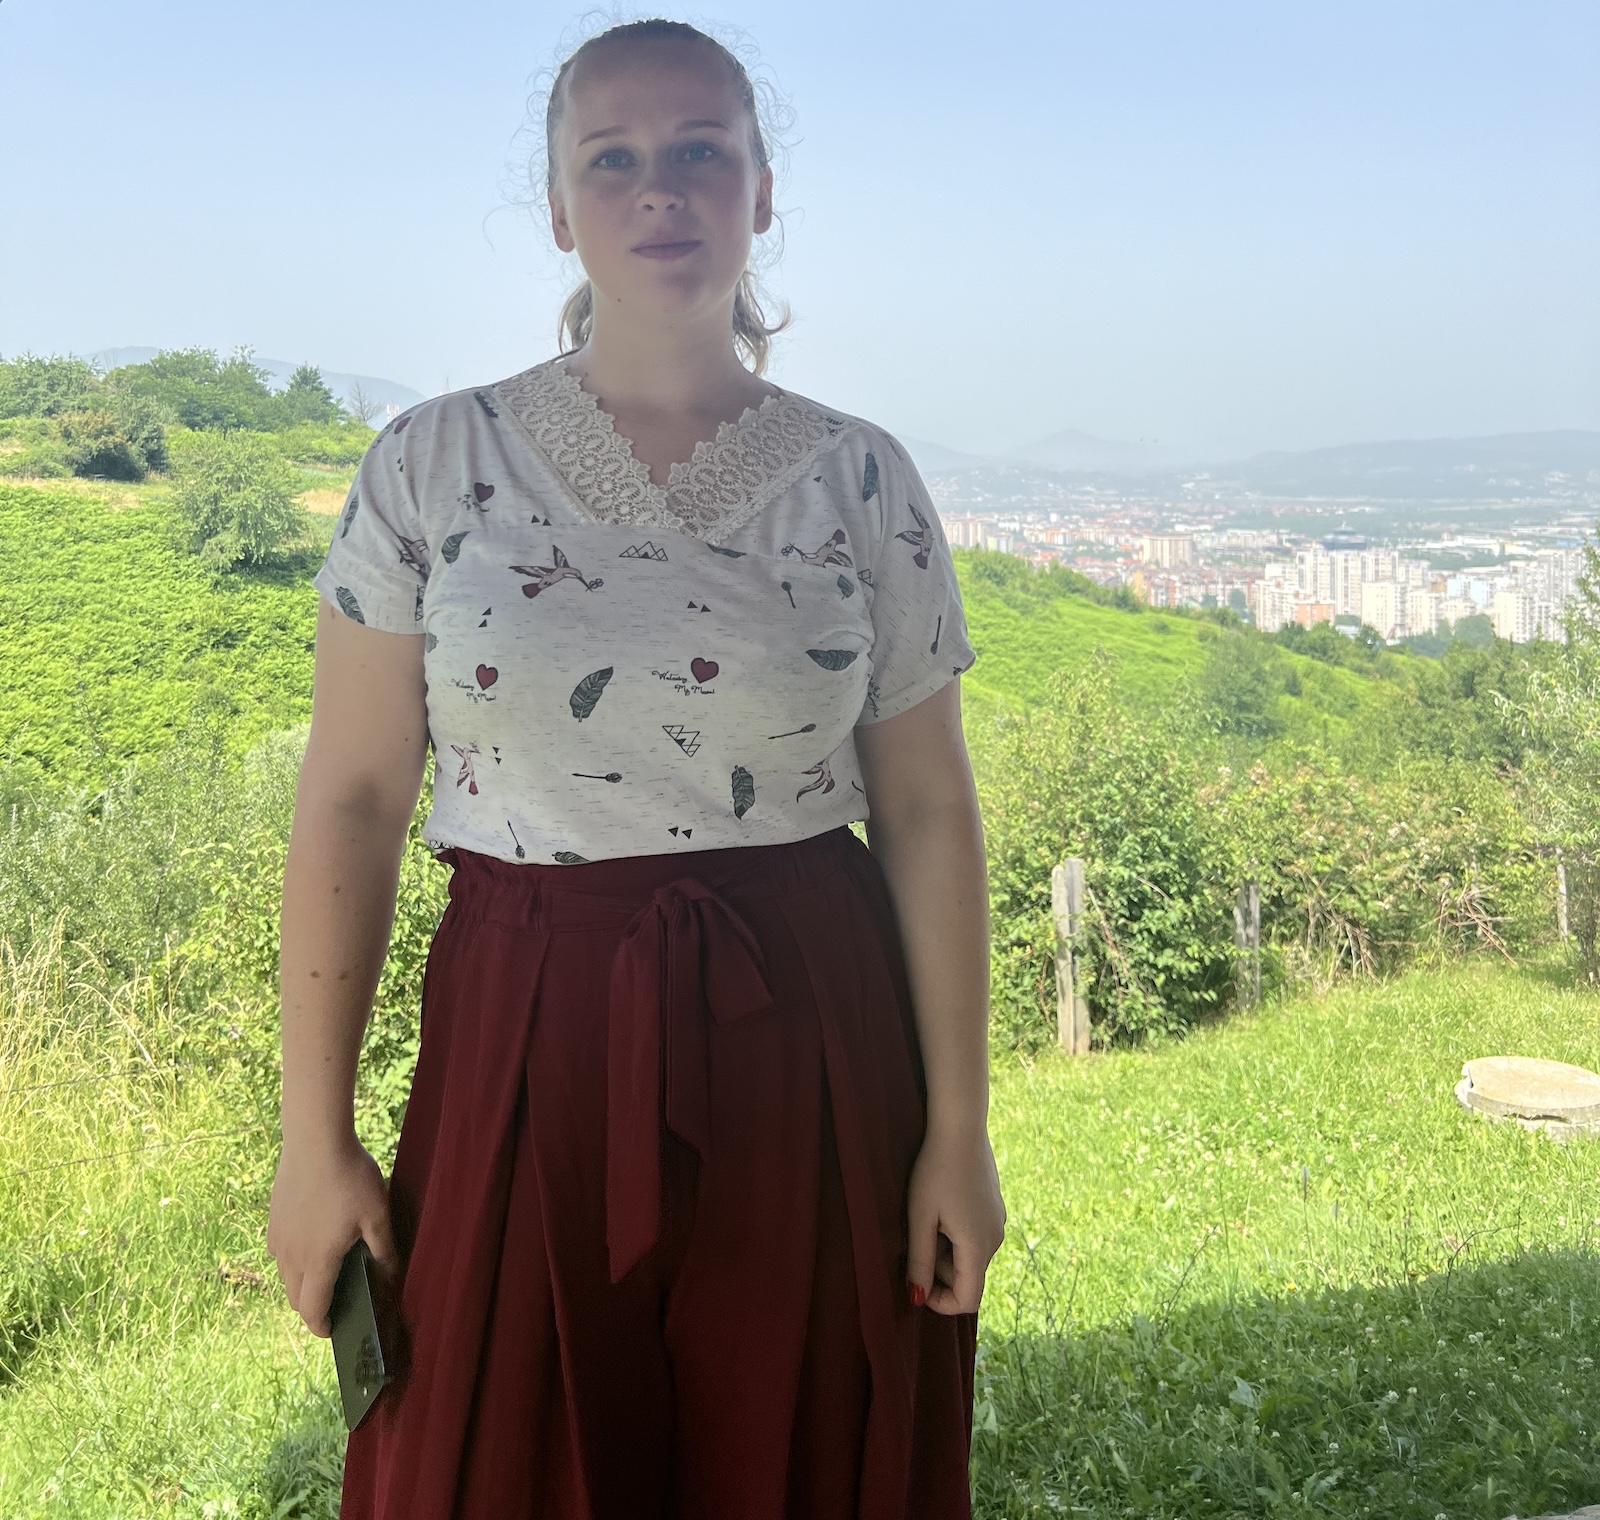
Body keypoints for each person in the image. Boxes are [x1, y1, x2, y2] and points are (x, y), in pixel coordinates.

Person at [266, 18, 1005, 1519]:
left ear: (761, 190)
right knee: (489, 1453)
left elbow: (927, 810)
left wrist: (960, 1132)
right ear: (558, 208)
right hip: (522, 1017)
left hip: (811, 1026)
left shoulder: (859, 475)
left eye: (700, 153)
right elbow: (350, 799)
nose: (660, 188)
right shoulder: (430, 461)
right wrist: (314, 1139)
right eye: (614, 159)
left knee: (792, 1441)